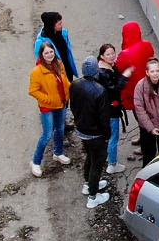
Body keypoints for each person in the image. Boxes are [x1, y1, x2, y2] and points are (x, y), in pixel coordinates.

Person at [70, 57, 112, 208]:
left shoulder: (75, 85)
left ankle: (88, 183)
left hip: (82, 130)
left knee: (89, 157)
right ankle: (93, 196)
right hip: (96, 134)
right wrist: (107, 135)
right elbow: (103, 117)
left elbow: (73, 106)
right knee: (97, 163)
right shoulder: (100, 91)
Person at [27, 43, 74, 176]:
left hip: (61, 104)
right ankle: (35, 162)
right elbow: (33, 91)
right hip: (48, 107)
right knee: (47, 134)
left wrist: (69, 91)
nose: (49, 55)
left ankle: (58, 153)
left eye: (51, 52)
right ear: (41, 55)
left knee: (60, 129)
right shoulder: (37, 71)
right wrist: (47, 99)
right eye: (46, 53)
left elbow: (65, 80)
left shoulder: (59, 63)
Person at [95, 43, 128, 174]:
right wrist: (125, 77)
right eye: (108, 54)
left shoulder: (108, 67)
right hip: (111, 109)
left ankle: (108, 158)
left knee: (108, 135)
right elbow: (114, 89)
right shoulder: (104, 72)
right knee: (113, 136)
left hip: (105, 108)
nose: (111, 56)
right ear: (102, 56)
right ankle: (112, 164)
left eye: (113, 53)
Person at [34, 12, 75, 96]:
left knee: (67, 92)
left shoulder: (63, 33)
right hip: (55, 74)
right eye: (59, 24)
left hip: (66, 69)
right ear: (52, 25)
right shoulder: (41, 41)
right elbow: (41, 62)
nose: (61, 25)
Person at [117, 21, 155, 108]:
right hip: (149, 84)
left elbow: (118, 69)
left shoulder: (125, 54)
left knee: (140, 113)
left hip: (134, 91)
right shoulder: (147, 45)